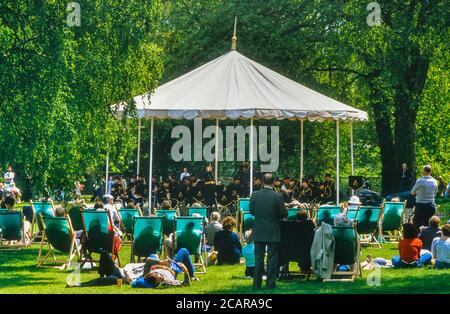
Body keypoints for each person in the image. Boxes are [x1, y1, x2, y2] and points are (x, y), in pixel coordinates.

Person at [249, 172, 287, 290]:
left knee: (258, 258)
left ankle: (256, 284)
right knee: (272, 259)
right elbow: (283, 213)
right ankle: (270, 283)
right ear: (274, 182)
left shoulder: (254, 195)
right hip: (273, 229)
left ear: (262, 181)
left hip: (259, 229)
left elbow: (251, 211)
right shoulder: (278, 196)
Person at [411, 165, 438, 229]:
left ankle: (418, 237)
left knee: (417, 224)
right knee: (429, 224)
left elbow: (412, 192)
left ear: (424, 171)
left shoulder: (419, 181)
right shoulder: (435, 181)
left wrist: (418, 193)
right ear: (430, 172)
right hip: (430, 205)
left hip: (420, 205)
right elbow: (435, 193)